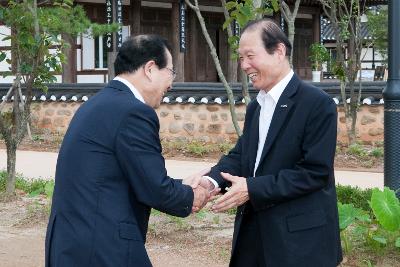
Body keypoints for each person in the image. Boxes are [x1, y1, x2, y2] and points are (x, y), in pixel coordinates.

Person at [45, 35, 213, 267]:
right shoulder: (134, 112)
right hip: (101, 247)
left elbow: (126, 177)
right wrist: (193, 194)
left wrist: (182, 183)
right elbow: (155, 189)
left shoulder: (98, 103)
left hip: (74, 242)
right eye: (171, 72)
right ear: (150, 69)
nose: (171, 84)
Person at [206, 19, 342, 266]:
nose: (244, 65)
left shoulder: (317, 104)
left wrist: (252, 188)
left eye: (250, 56)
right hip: (254, 237)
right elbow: (243, 156)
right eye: (241, 58)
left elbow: (314, 172)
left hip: (300, 243)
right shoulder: (256, 106)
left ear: (279, 51)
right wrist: (210, 180)